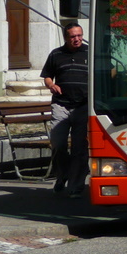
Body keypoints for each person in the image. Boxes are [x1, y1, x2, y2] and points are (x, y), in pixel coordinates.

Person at [41, 23, 89, 198]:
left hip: (83, 106)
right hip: (61, 105)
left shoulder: (89, 53)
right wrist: (51, 85)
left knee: (79, 148)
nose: (77, 39)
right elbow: (47, 76)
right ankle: (62, 175)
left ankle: (76, 186)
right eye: (73, 36)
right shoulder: (56, 54)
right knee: (58, 144)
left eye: (79, 35)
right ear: (65, 37)